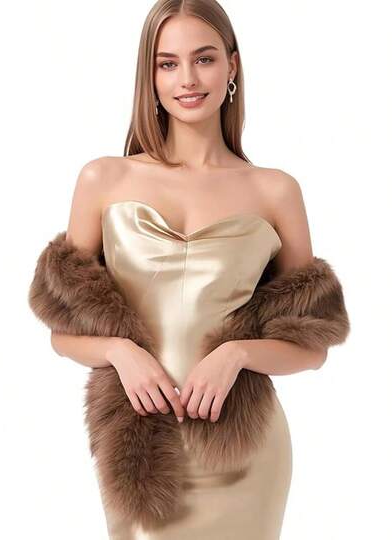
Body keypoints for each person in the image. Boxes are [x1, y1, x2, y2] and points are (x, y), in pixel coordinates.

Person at [49, 1, 331, 538]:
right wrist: (119, 351)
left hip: (243, 452)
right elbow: (62, 334)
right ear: (150, 75)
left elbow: (312, 347)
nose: (187, 80)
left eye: (203, 59)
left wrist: (237, 354)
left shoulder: (275, 191)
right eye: (168, 63)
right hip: (141, 456)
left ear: (232, 65)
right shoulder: (103, 180)